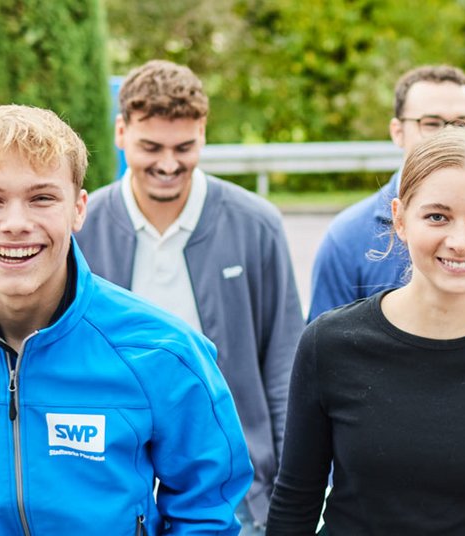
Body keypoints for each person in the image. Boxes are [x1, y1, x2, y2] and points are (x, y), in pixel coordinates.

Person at [0, 104, 253, 534]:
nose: (15, 224)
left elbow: (206, 511)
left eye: (42, 198)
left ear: (78, 208)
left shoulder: (162, 350)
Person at [267, 128, 465, 535]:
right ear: (399, 218)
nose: (460, 241)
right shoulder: (328, 344)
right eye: (437, 217)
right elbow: (294, 505)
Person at [307, 65, 465, 522]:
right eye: (432, 123)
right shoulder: (345, 238)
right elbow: (322, 380)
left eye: (462, 123)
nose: (448, 135)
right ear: (398, 131)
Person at [76, 60, 303, 534]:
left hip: (235, 489)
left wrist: (288, 493)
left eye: (183, 147)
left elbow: (284, 367)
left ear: (202, 132)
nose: (167, 164)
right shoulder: (81, 227)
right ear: (121, 133)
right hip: (111, 486)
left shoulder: (256, 225)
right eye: (150, 147)